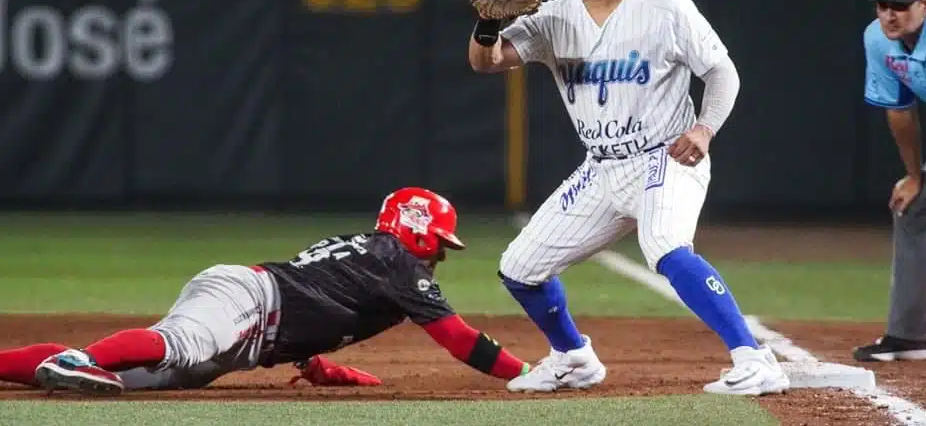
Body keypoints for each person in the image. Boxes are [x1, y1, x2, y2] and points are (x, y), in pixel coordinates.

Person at [466, 0, 789, 396]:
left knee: (665, 247)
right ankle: (574, 358)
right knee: (520, 268)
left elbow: (722, 73)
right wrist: (487, 24)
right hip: (601, 169)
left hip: (666, 156)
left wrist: (703, 129)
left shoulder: (666, 7)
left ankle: (756, 358)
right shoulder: (554, 17)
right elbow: (486, 62)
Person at [0, 187, 532, 394]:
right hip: (248, 301)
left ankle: (27, 363)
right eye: (438, 241)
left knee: (140, 379)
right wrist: (527, 375)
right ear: (415, 229)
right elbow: (460, 339)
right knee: (180, 344)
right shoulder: (397, 261)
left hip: (252, 330)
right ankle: (80, 357)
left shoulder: (374, 255)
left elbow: (321, 301)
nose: (440, 253)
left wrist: (320, 366)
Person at [855, 0, 926, 362]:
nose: (889, 14)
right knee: (917, 204)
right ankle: (912, 335)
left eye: (900, 5)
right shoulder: (879, 41)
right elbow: (900, 111)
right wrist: (914, 176)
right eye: (882, 5)